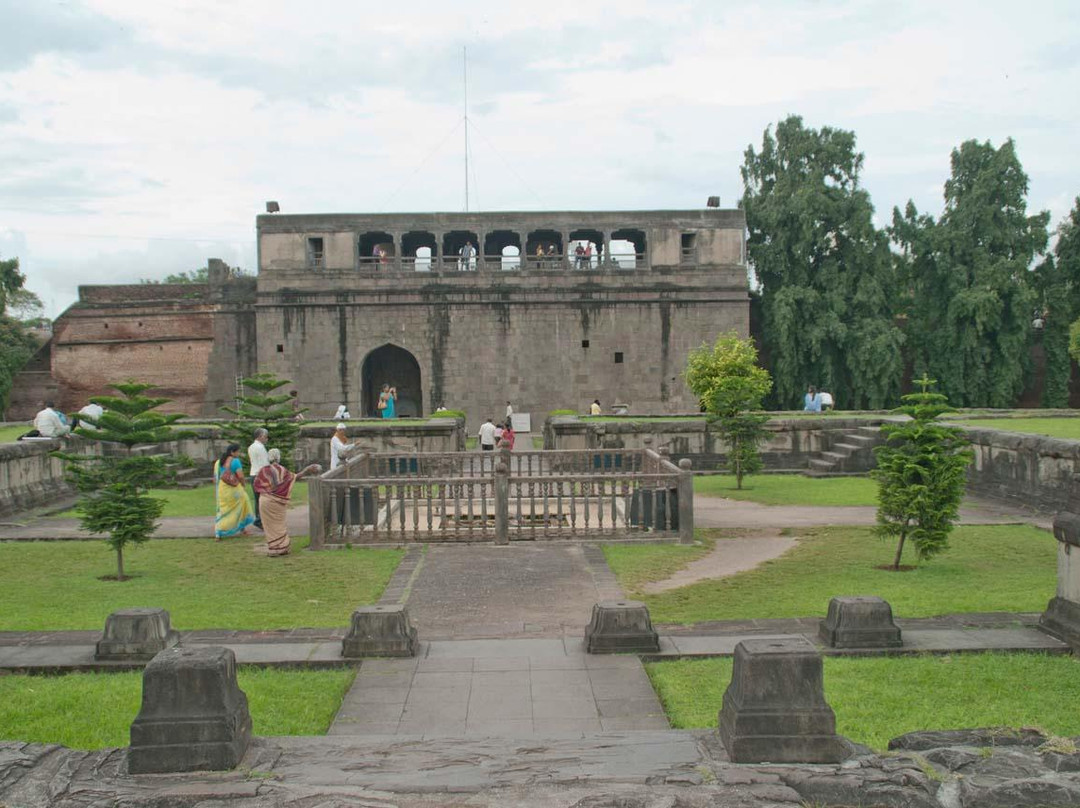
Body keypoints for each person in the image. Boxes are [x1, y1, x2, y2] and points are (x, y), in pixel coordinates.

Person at [253, 449, 321, 557]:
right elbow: (294, 478)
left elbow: (256, 485)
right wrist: (307, 470)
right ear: (278, 457)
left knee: (269, 525)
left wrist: (268, 492)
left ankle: (273, 548)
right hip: (277, 502)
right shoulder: (281, 470)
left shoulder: (263, 470)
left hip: (265, 501)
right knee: (279, 524)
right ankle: (281, 547)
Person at [214, 443, 256, 539]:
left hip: (222, 489)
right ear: (232, 452)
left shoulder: (219, 462)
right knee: (243, 505)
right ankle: (242, 528)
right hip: (234, 489)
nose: (239, 453)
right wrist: (243, 484)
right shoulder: (235, 461)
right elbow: (240, 476)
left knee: (223, 510)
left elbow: (217, 476)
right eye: (238, 451)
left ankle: (218, 531)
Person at [247, 428, 270, 530]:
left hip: (253, 473)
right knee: (263, 499)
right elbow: (264, 464)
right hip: (260, 475)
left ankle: (259, 519)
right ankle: (260, 520)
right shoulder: (260, 448)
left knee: (258, 499)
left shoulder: (251, 447)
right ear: (260, 436)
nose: (266, 439)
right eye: (265, 436)